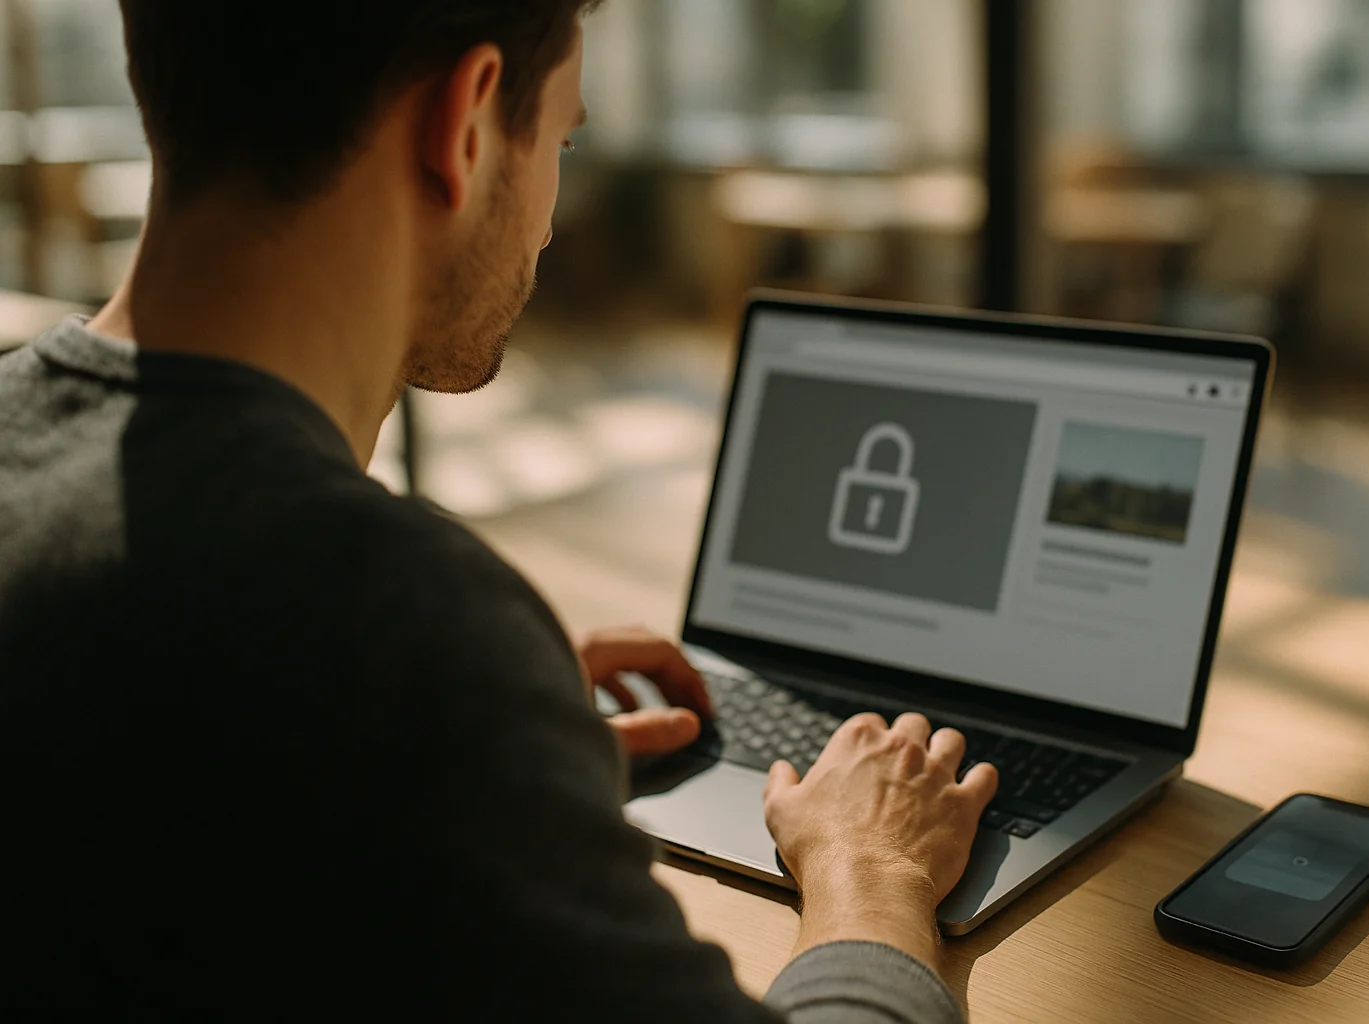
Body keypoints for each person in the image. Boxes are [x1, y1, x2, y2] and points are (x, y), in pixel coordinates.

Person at [0, 2, 999, 1019]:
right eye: (562, 137)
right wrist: (871, 871)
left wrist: (497, 771)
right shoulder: (394, 642)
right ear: (466, 125)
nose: (553, 214)